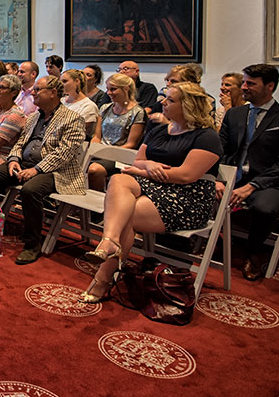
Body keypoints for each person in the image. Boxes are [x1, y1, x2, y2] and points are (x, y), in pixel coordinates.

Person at [80, 82, 221, 302]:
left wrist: (146, 168)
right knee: (119, 178)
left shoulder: (206, 137)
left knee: (125, 215)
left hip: (186, 197)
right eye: (165, 97)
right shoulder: (158, 130)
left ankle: (103, 276)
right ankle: (109, 243)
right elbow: (138, 161)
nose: (162, 102)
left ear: (189, 105)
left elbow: (186, 175)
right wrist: (149, 166)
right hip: (155, 187)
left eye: (170, 100)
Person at [219, 63, 279, 281]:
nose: (244, 87)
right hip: (235, 177)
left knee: (265, 208)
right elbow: (222, 150)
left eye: (251, 83)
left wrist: (252, 186)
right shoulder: (235, 115)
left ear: (270, 86)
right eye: (244, 82)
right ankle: (212, 241)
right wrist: (219, 179)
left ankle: (254, 252)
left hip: (270, 181)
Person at [0, 75, 87, 265]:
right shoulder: (34, 116)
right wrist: (13, 160)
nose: (32, 93)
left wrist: (36, 169)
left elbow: (64, 154)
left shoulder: (73, 118)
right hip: (25, 164)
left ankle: (32, 244)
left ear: (53, 93)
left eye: (38, 90)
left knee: (31, 190)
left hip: (57, 172)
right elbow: (20, 142)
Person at [86, 72, 147, 190]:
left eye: (113, 89)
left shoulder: (138, 112)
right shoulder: (105, 108)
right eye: (108, 89)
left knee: (94, 170)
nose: (109, 93)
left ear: (126, 89)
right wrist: (95, 150)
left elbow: (131, 144)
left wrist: (107, 152)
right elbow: (97, 136)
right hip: (100, 152)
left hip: (121, 156)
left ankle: (97, 203)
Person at [61, 68, 99, 139]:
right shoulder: (61, 101)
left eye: (65, 81)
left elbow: (76, 131)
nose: (61, 85)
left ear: (77, 82)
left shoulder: (88, 106)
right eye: (60, 82)